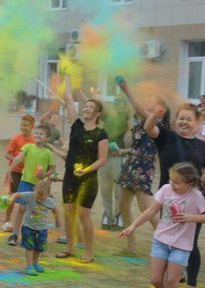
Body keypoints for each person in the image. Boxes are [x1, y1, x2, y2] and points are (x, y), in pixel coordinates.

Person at [120, 162, 205, 288]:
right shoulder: (166, 190)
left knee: (171, 282)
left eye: (177, 182)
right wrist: (133, 226)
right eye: (171, 180)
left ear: (189, 183)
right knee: (156, 280)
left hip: (181, 245)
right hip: (161, 241)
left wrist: (192, 218)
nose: (172, 184)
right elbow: (150, 211)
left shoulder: (196, 196)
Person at [145, 103, 205, 288]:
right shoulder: (167, 137)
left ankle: (191, 285)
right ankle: (172, 285)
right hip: (168, 198)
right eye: (181, 118)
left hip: (193, 201)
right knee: (169, 237)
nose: (184, 122)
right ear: (175, 120)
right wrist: (155, 114)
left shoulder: (202, 145)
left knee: (190, 242)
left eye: (189, 119)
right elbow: (148, 128)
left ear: (198, 123)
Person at [55, 76, 108, 264]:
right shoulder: (76, 125)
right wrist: (68, 76)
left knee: (84, 214)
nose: (86, 109)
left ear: (98, 113)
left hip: (88, 178)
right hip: (70, 174)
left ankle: (89, 251)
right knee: (68, 211)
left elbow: (102, 159)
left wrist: (86, 170)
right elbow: (69, 98)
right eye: (85, 106)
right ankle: (69, 247)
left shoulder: (101, 134)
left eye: (91, 107)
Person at [114, 77, 163, 255]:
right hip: (131, 165)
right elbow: (138, 148)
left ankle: (167, 244)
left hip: (143, 168)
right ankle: (131, 246)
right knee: (123, 205)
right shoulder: (139, 124)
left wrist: (126, 89)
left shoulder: (158, 125)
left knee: (146, 209)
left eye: (151, 107)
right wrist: (124, 151)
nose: (146, 109)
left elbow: (139, 109)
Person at [7, 124, 56, 246]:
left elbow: (53, 168)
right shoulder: (28, 147)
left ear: (47, 138)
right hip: (26, 182)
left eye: (41, 134)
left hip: (39, 186)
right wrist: (10, 169)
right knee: (21, 209)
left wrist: (44, 174)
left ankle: (34, 233)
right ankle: (15, 234)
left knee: (36, 210)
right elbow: (18, 158)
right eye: (36, 133)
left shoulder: (48, 153)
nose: (37, 135)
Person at [7, 180, 60, 275]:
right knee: (30, 247)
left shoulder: (49, 201)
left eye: (42, 198)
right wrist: (12, 198)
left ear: (48, 194)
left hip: (42, 229)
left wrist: (57, 220)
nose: (39, 199)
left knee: (39, 248)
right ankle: (29, 266)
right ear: (34, 190)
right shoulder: (30, 195)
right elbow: (17, 194)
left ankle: (35, 263)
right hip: (28, 227)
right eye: (37, 197)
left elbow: (55, 210)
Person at [100, 96, 130, 229]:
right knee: (105, 189)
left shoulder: (127, 118)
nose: (118, 104)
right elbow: (97, 105)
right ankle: (108, 215)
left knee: (119, 191)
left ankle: (118, 215)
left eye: (120, 102)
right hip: (104, 157)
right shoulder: (108, 116)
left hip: (118, 158)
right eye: (116, 102)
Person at [2, 115, 35, 232]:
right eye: (22, 125)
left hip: (28, 174)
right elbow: (6, 155)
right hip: (15, 172)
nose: (23, 127)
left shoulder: (34, 140)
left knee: (28, 198)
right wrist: (17, 159)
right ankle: (7, 221)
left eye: (26, 125)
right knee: (12, 195)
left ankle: (28, 222)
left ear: (32, 127)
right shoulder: (16, 139)